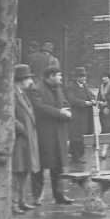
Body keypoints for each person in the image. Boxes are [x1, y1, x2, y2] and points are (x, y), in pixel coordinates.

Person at [28, 66, 74, 205]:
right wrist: (60, 113)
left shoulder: (58, 88)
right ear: (50, 76)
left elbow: (66, 103)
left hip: (58, 134)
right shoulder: (36, 89)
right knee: (39, 167)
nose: (60, 78)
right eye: (58, 75)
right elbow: (40, 108)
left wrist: (68, 112)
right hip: (44, 134)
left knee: (58, 167)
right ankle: (37, 196)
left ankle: (59, 195)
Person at [11, 64, 40, 214]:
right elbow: (9, 117)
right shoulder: (12, 95)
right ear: (21, 80)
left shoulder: (22, 93)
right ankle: (13, 203)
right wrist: (21, 128)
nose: (31, 81)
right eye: (29, 78)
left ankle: (21, 201)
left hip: (27, 140)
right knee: (17, 172)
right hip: (19, 140)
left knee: (25, 171)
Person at [64, 66, 96, 166]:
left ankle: (79, 155)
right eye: (82, 77)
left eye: (84, 76)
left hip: (86, 116)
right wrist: (84, 103)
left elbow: (91, 95)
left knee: (83, 136)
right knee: (76, 137)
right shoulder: (71, 87)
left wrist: (93, 100)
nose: (84, 79)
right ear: (77, 77)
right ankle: (75, 156)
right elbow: (71, 99)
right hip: (77, 116)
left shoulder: (85, 85)